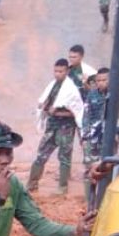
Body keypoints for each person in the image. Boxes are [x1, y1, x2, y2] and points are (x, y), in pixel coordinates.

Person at [28, 58, 83, 196]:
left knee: (64, 157)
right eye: (55, 71)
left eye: (60, 71)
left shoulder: (71, 90)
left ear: (67, 71)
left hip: (65, 128)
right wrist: (44, 106)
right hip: (51, 126)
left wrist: (57, 112)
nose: (57, 74)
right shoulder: (53, 85)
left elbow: (76, 112)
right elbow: (46, 101)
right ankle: (32, 184)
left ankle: (62, 188)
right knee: (41, 154)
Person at [81, 68, 110, 182]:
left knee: (107, 168)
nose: (101, 83)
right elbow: (86, 116)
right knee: (90, 168)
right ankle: (90, 198)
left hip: (110, 138)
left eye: (104, 80)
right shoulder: (92, 94)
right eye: (98, 80)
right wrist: (84, 137)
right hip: (92, 137)